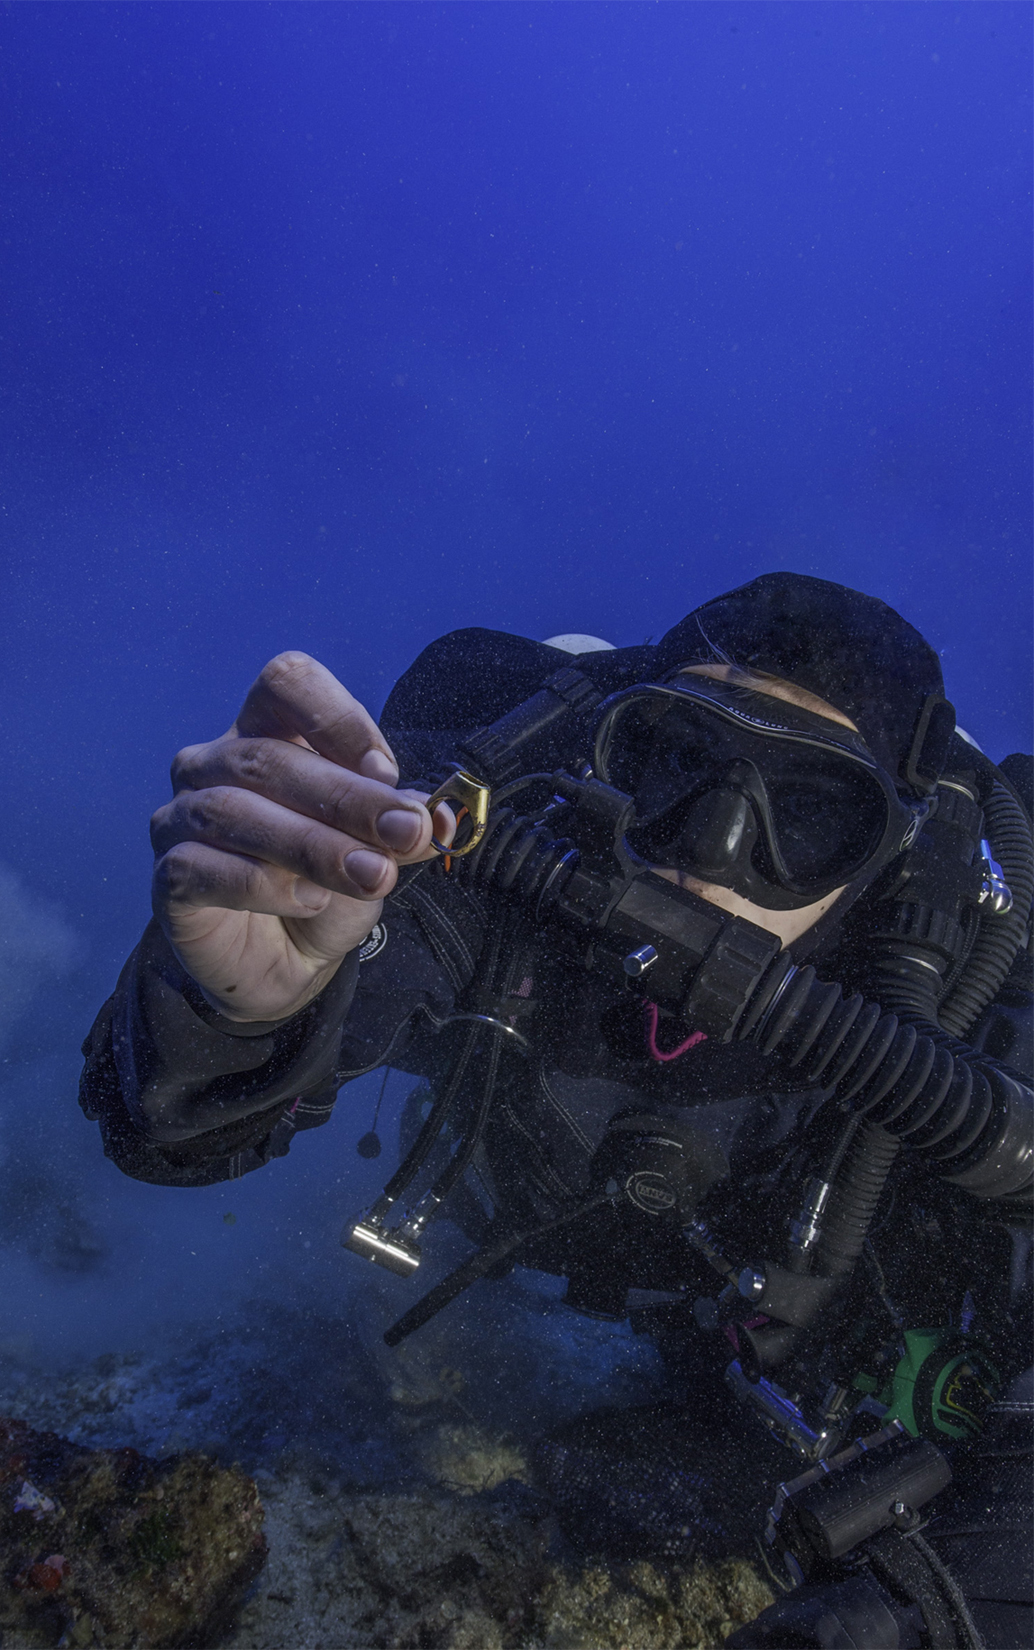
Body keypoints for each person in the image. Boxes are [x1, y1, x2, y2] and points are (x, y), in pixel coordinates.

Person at [80, 573, 1032, 1648]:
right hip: (538, 1223)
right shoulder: (496, 864)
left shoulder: (964, 1000)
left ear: (888, 859)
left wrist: (952, 1603)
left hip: (761, 1335)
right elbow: (163, 1132)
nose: (707, 855)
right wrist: (229, 1014)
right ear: (605, 755)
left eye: (807, 814)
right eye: (673, 762)